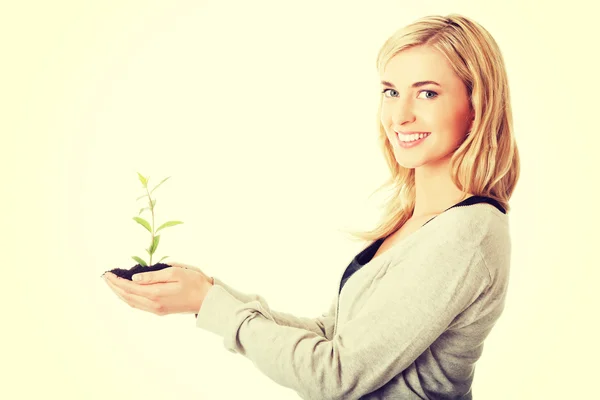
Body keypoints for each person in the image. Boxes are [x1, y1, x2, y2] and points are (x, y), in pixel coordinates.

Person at [103, 13, 520, 400]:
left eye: (427, 93)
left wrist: (210, 304)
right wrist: (209, 291)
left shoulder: (469, 232)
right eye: (391, 92)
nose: (400, 114)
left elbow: (335, 374)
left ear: (476, 105)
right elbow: (332, 336)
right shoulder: (417, 223)